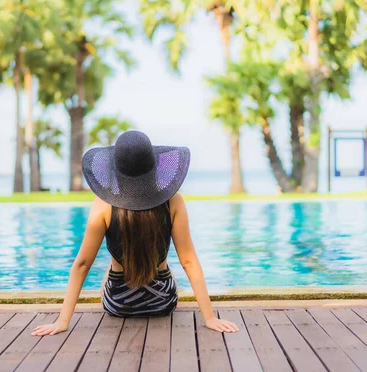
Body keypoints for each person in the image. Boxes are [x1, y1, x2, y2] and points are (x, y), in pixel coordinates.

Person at [32, 130, 238, 336]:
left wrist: (62, 321)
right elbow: (189, 262)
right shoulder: (174, 202)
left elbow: (83, 264)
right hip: (162, 303)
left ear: (116, 170)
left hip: (119, 304)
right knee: (167, 266)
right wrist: (209, 318)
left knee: (110, 265)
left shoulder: (103, 205)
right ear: (153, 166)